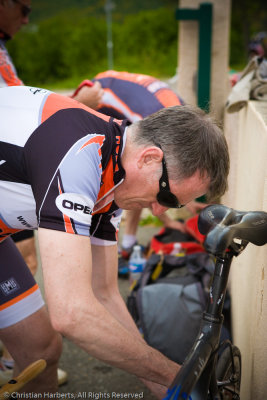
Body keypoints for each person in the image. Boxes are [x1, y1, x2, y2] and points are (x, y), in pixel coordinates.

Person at [0, 84, 229, 396]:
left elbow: (105, 294)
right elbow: (71, 313)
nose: (159, 210)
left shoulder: (117, 175)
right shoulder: (80, 153)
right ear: (150, 158)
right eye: (166, 196)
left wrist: (163, 386)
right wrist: (179, 376)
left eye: (173, 205)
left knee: (40, 350)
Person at [0, 0, 103, 386]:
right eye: (24, 8)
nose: (28, 19)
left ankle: (14, 358)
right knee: (28, 254)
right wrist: (78, 107)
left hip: (12, 180)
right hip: (12, 174)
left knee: (42, 349)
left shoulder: (4, 43)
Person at [87, 70, 207, 262]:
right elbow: (149, 179)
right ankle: (110, 243)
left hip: (120, 88)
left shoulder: (184, 123)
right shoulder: (158, 129)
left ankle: (127, 242)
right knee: (132, 178)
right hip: (96, 94)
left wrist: (186, 197)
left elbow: (168, 176)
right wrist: (167, 221)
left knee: (139, 181)